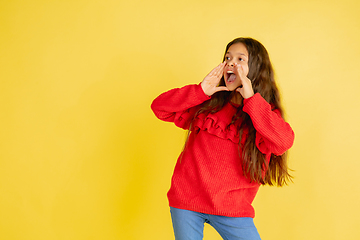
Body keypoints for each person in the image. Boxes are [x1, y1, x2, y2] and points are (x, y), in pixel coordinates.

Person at [151, 37, 295, 240]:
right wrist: (200, 91)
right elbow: (159, 108)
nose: (231, 63)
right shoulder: (208, 103)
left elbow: (283, 142)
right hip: (187, 203)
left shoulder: (263, 113)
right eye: (228, 58)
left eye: (240, 59)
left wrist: (252, 100)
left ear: (254, 68)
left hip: (233, 210)